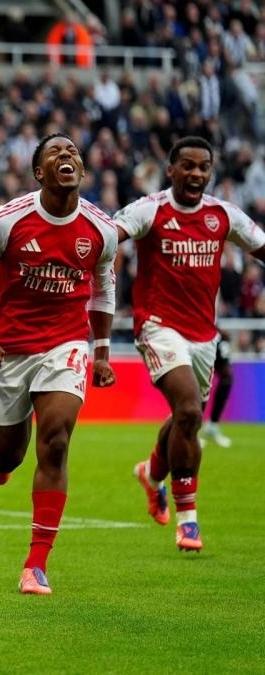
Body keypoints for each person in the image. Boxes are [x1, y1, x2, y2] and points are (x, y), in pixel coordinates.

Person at [0, 133, 119, 595]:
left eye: (72, 151)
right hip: (7, 351)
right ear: (39, 173)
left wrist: (101, 351)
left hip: (65, 346)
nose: (66, 156)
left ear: (82, 170)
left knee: (57, 441)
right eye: (55, 153)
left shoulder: (101, 230)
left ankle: (36, 564)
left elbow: (104, 288)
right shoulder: (7, 221)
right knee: (10, 455)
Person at [114, 136, 265, 553]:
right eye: (188, 166)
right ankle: (189, 520)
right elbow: (110, 235)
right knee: (187, 410)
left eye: (204, 167)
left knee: (187, 418)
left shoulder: (222, 215)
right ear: (171, 170)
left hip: (203, 335)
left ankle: (151, 474)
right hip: (158, 326)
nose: (196, 173)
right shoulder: (151, 210)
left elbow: (260, 244)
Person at [199, 330, 233, 448]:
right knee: (194, 384)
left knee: (227, 379)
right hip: (197, 337)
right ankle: (189, 432)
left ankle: (212, 425)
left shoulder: (220, 336)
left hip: (210, 334)